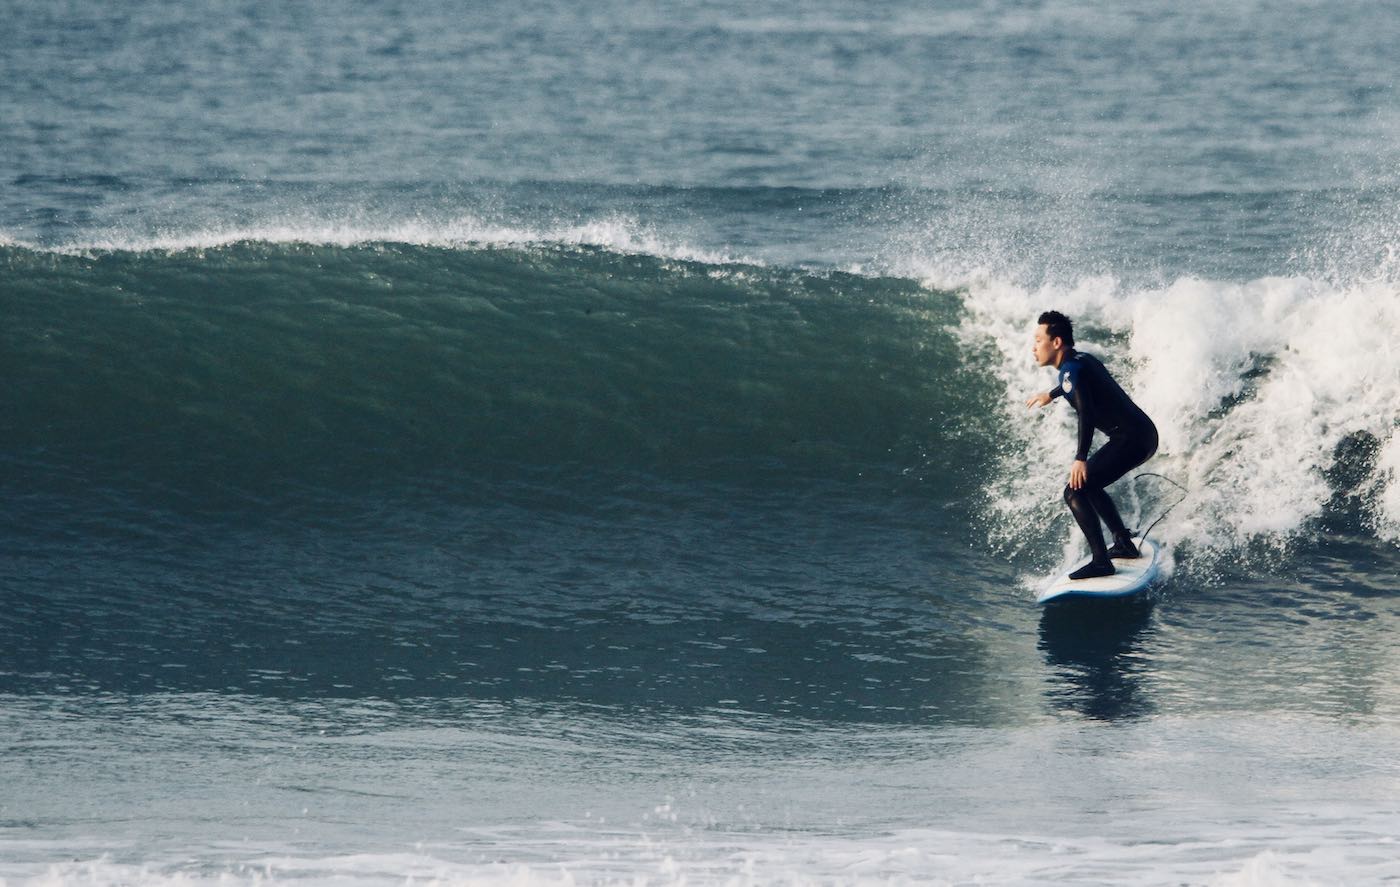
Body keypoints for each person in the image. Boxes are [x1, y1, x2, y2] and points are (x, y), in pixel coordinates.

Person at [1025, 310, 1158, 580]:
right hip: (1142, 434)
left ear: (1057, 342)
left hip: (1130, 439)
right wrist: (1050, 394)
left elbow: (1085, 412)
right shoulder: (1080, 361)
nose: (1034, 347)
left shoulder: (1070, 371)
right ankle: (1122, 542)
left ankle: (1101, 561)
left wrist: (1080, 457)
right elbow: (1074, 385)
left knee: (1074, 492)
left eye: (1039, 340)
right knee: (1090, 485)